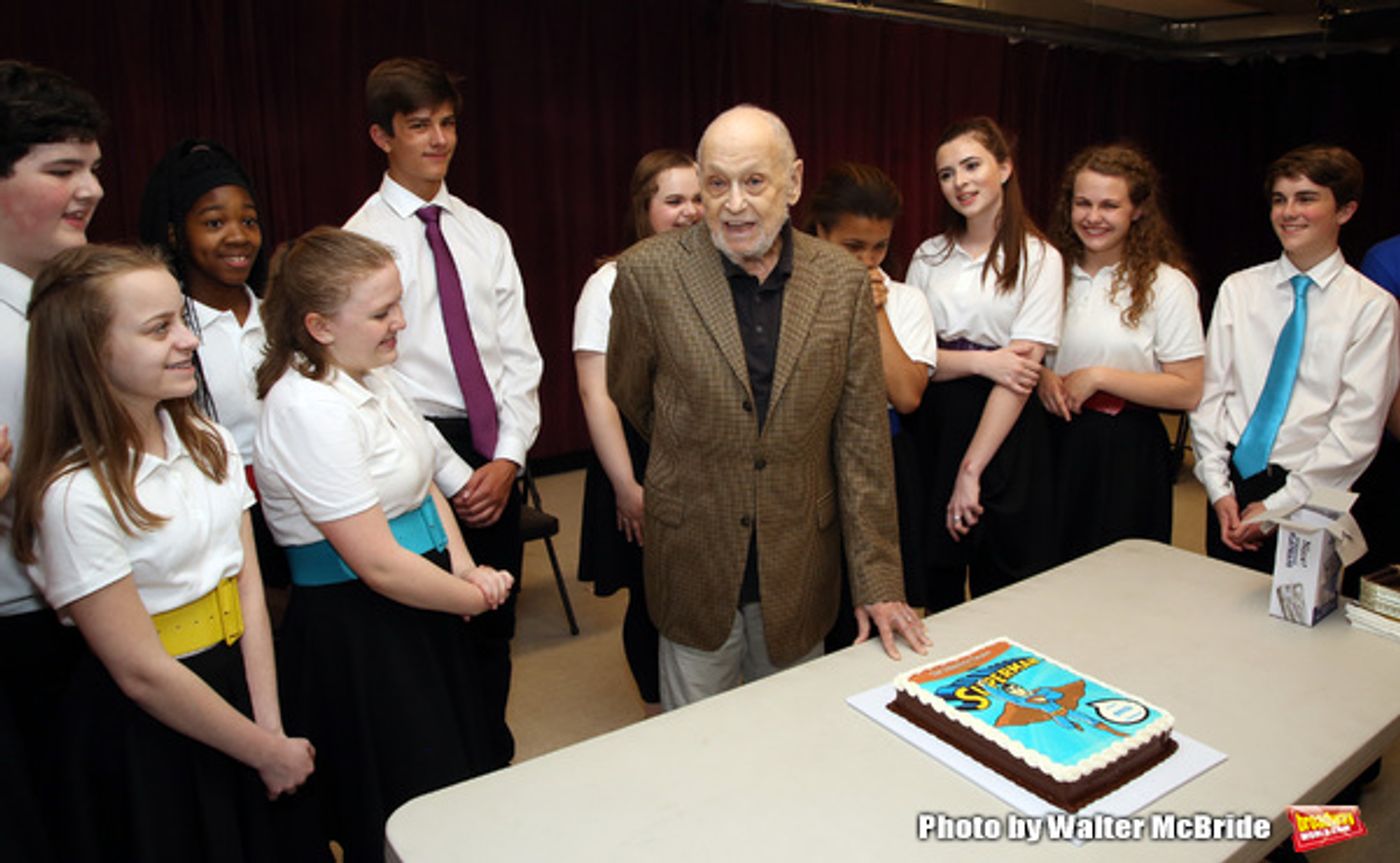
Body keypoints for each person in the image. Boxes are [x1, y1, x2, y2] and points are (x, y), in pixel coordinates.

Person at [608, 104, 930, 711]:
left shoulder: (841, 281)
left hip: (799, 561)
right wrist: (708, 441)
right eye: (717, 183)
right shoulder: (647, 275)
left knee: (788, 740)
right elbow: (633, 394)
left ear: (795, 182)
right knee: (696, 747)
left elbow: (861, 438)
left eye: (754, 181)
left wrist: (880, 581)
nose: (733, 205)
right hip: (693, 557)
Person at [10, 244, 315, 862]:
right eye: (159, 329)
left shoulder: (207, 440)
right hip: (153, 724)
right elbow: (141, 672)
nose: (189, 341)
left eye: (182, 320)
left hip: (240, 684)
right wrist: (263, 751)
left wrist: (269, 728)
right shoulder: (75, 495)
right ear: (89, 351)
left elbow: (247, 589)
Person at [253, 226, 513, 861]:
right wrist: (469, 599)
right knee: (403, 802)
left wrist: (465, 568)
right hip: (363, 632)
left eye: (398, 304)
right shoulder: (306, 408)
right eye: (381, 312)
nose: (400, 321)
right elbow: (373, 562)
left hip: (421, 602)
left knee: (457, 783)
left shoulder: (372, 374)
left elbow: (422, 483)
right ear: (318, 326)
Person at [344, 57, 541, 768]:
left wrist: (510, 457)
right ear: (380, 135)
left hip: (496, 444)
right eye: (418, 125)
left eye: (448, 122)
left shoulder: (483, 232)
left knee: (495, 621)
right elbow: (372, 378)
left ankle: (492, 757)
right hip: (418, 453)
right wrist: (456, 473)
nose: (439, 139)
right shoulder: (360, 240)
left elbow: (519, 355)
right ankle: (448, 768)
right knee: (438, 627)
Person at [1191, 145, 1399, 573]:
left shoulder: (1371, 307)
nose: (1289, 212)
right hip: (1234, 484)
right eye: (1279, 199)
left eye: (1306, 198)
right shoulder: (1239, 289)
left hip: (1315, 490)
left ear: (1345, 211)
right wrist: (1218, 488)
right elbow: (1210, 396)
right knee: (1216, 615)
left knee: (1296, 629)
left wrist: (1280, 505)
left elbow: (1356, 429)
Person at [0, 59, 105, 862]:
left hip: (89, 609)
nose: (92, 188)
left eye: (93, 167)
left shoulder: (62, 304)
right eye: (62, 169)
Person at [905, 116, 1062, 611]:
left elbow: (1019, 375)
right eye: (947, 173)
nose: (960, 182)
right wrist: (982, 363)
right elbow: (916, 361)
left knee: (1006, 581)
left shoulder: (1040, 258)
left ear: (1006, 168)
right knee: (938, 581)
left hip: (1007, 431)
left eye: (972, 166)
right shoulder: (929, 256)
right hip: (935, 422)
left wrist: (970, 470)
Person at [573, 148, 701, 714]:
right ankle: (656, 710)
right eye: (673, 200)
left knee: (702, 588)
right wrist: (627, 485)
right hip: (637, 458)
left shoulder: (721, 275)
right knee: (652, 599)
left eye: (700, 197)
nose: (690, 211)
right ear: (643, 208)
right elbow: (595, 393)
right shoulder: (609, 283)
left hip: (701, 456)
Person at [1039, 144, 1204, 562]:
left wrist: (1099, 377)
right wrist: (1041, 376)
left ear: (1138, 210)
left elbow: (1188, 390)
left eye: (1110, 205)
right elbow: (1027, 351)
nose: (1093, 217)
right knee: (1046, 573)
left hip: (1125, 453)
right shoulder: (1046, 273)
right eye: (1083, 203)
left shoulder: (1167, 286)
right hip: (1049, 441)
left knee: (1119, 582)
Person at [138, 139, 290, 590]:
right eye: (214, 222)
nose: (238, 236)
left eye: (249, 220)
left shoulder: (281, 319)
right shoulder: (165, 335)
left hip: (302, 518)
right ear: (174, 233)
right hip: (216, 526)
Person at [806, 162, 936, 646]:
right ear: (819, 234)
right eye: (853, 247)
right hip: (812, 463)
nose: (868, 260)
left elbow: (906, 395)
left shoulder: (906, 300)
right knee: (819, 607)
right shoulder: (794, 298)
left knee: (885, 613)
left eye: (879, 246)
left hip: (884, 460)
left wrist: (873, 310)